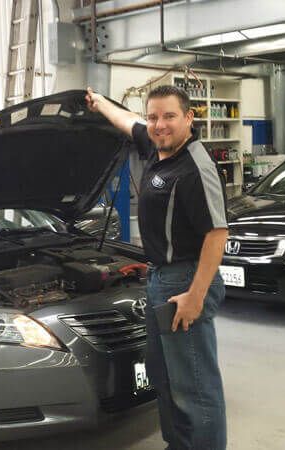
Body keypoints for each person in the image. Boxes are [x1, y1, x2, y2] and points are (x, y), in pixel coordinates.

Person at [86, 85, 229, 450]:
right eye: (153, 117)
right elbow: (129, 122)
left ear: (188, 118)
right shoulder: (156, 146)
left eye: (169, 116)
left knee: (195, 384)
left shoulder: (196, 166)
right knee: (164, 376)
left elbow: (217, 234)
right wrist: (100, 102)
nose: (159, 124)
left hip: (185, 279)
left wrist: (195, 297)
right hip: (160, 278)